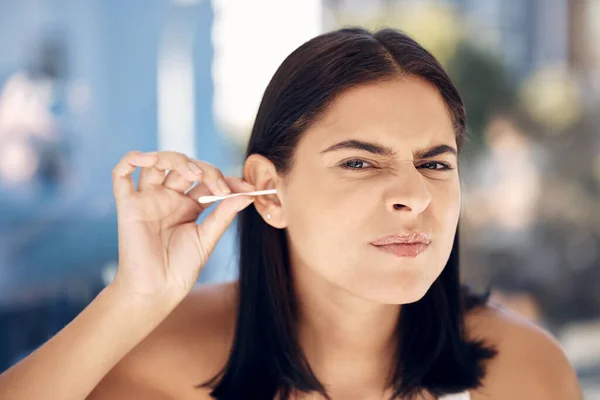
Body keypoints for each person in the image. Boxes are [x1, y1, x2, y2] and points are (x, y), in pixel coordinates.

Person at [0, 28, 582, 400]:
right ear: (269, 193)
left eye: (434, 165)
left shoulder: (525, 375)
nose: (416, 196)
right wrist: (134, 300)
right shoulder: (158, 369)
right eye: (360, 163)